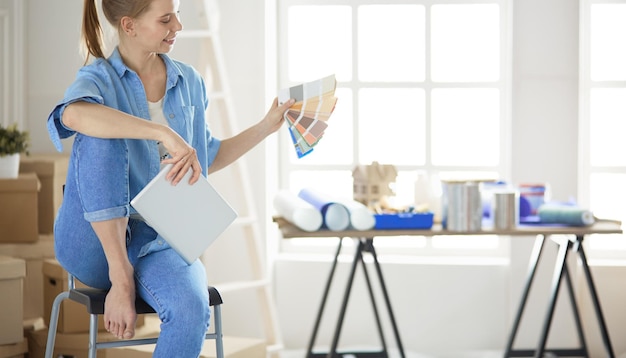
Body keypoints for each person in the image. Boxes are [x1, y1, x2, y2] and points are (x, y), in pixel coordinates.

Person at [46, 0, 293, 356]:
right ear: (129, 26)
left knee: (192, 308)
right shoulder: (98, 78)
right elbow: (72, 116)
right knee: (101, 130)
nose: (178, 25)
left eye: (177, 14)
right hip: (93, 245)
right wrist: (159, 132)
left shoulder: (189, 82)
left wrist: (266, 127)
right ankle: (121, 276)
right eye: (165, 19)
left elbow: (207, 155)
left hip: (157, 241)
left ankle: (129, 275)